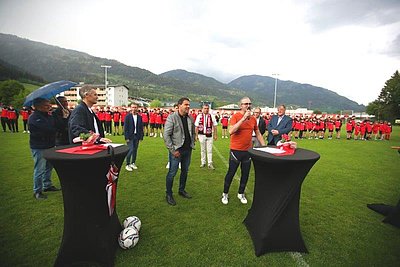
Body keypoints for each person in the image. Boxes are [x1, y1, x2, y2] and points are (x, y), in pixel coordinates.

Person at [222, 97, 265, 205]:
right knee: (231, 173)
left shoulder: (253, 119)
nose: (248, 105)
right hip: (236, 150)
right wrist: (243, 119)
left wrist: (264, 146)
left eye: (250, 103)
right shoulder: (235, 117)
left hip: (248, 151)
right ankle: (225, 193)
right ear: (241, 105)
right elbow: (231, 131)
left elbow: (258, 133)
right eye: (245, 104)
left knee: (245, 174)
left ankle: (241, 193)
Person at [163, 97, 195, 206]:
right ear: (179, 105)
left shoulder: (190, 118)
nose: (188, 106)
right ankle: (169, 194)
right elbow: (166, 135)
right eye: (186, 104)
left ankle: (181, 190)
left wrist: (192, 144)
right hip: (176, 151)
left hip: (187, 150)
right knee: (172, 173)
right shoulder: (172, 118)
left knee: (185, 171)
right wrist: (172, 150)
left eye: (189, 105)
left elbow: (193, 132)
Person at [28, 98, 60, 200]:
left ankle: (47, 185)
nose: (49, 106)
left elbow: (57, 126)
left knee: (48, 167)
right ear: (38, 106)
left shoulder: (48, 116)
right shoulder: (34, 118)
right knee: (39, 169)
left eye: (49, 104)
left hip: (50, 145)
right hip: (39, 147)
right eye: (46, 105)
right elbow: (48, 129)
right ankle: (37, 191)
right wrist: (54, 130)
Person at [195, 103, 218, 169]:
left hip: (209, 135)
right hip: (201, 135)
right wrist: (196, 135)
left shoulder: (212, 116)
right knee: (203, 150)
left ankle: (210, 163)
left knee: (209, 150)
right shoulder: (199, 116)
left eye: (207, 108)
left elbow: (215, 126)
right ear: (202, 109)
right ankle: (203, 162)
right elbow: (196, 126)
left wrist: (215, 135)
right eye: (205, 108)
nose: (206, 110)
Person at [124, 103, 144, 171]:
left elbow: (141, 127)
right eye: (132, 107)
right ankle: (127, 164)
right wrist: (126, 137)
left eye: (135, 107)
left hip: (137, 136)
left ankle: (133, 163)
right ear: (130, 108)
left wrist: (141, 137)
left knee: (135, 150)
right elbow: (125, 128)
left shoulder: (139, 117)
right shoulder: (127, 117)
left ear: (137, 108)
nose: (134, 109)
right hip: (130, 136)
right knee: (131, 149)